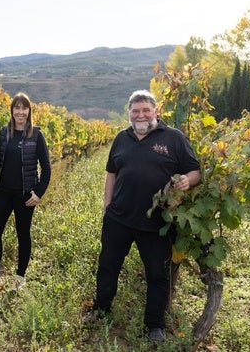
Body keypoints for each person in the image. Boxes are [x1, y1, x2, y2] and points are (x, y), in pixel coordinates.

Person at [84, 90, 201, 342]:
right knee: (107, 266)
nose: (140, 115)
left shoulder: (174, 138)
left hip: (157, 223)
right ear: (129, 113)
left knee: (158, 275)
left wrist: (186, 181)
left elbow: (195, 171)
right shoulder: (121, 138)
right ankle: (101, 309)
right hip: (119, 219)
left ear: (156, 111)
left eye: (145, 110)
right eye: (135, 111)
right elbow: (111, 173)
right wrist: (107, 206)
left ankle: (154, 325)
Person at [0, 92, 51, 291]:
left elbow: (46, 167)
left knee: (23, 234)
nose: (20, 112)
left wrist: (39, 193)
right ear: (12, 110)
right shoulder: (4, 133)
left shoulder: (36, 135)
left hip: (25, 194)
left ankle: (19, 277)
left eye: (24, 108)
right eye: (16, 108)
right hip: (3, 192)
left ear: (29, 111)